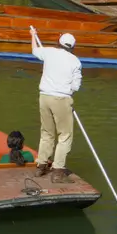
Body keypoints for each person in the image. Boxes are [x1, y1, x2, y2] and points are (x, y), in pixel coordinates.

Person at [29, 26, 83, 180]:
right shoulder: (75, 62)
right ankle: (58, 170)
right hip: (61, 99)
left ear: (59, 42)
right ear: (72, 47)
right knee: (65, 135)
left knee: (46, 133)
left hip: (44, 97)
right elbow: (75, 87)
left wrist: (33, 35)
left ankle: (41, 165)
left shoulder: (49, 52)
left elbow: (35, 50)